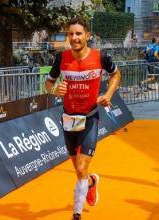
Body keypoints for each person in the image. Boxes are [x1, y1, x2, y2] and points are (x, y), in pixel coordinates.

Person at [45, 17, 121, 220]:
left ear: (88, 36)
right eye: (70, 34)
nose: (74, 38)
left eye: (78, 33)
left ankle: (76, 214)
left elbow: (116, 75)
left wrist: (108, 95)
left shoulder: (100, 57)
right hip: (69, 118)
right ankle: (91, 182)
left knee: (81, 167)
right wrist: (55, 90)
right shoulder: (61, 58)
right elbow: (49, 83)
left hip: (89, 117)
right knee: (80, 172)